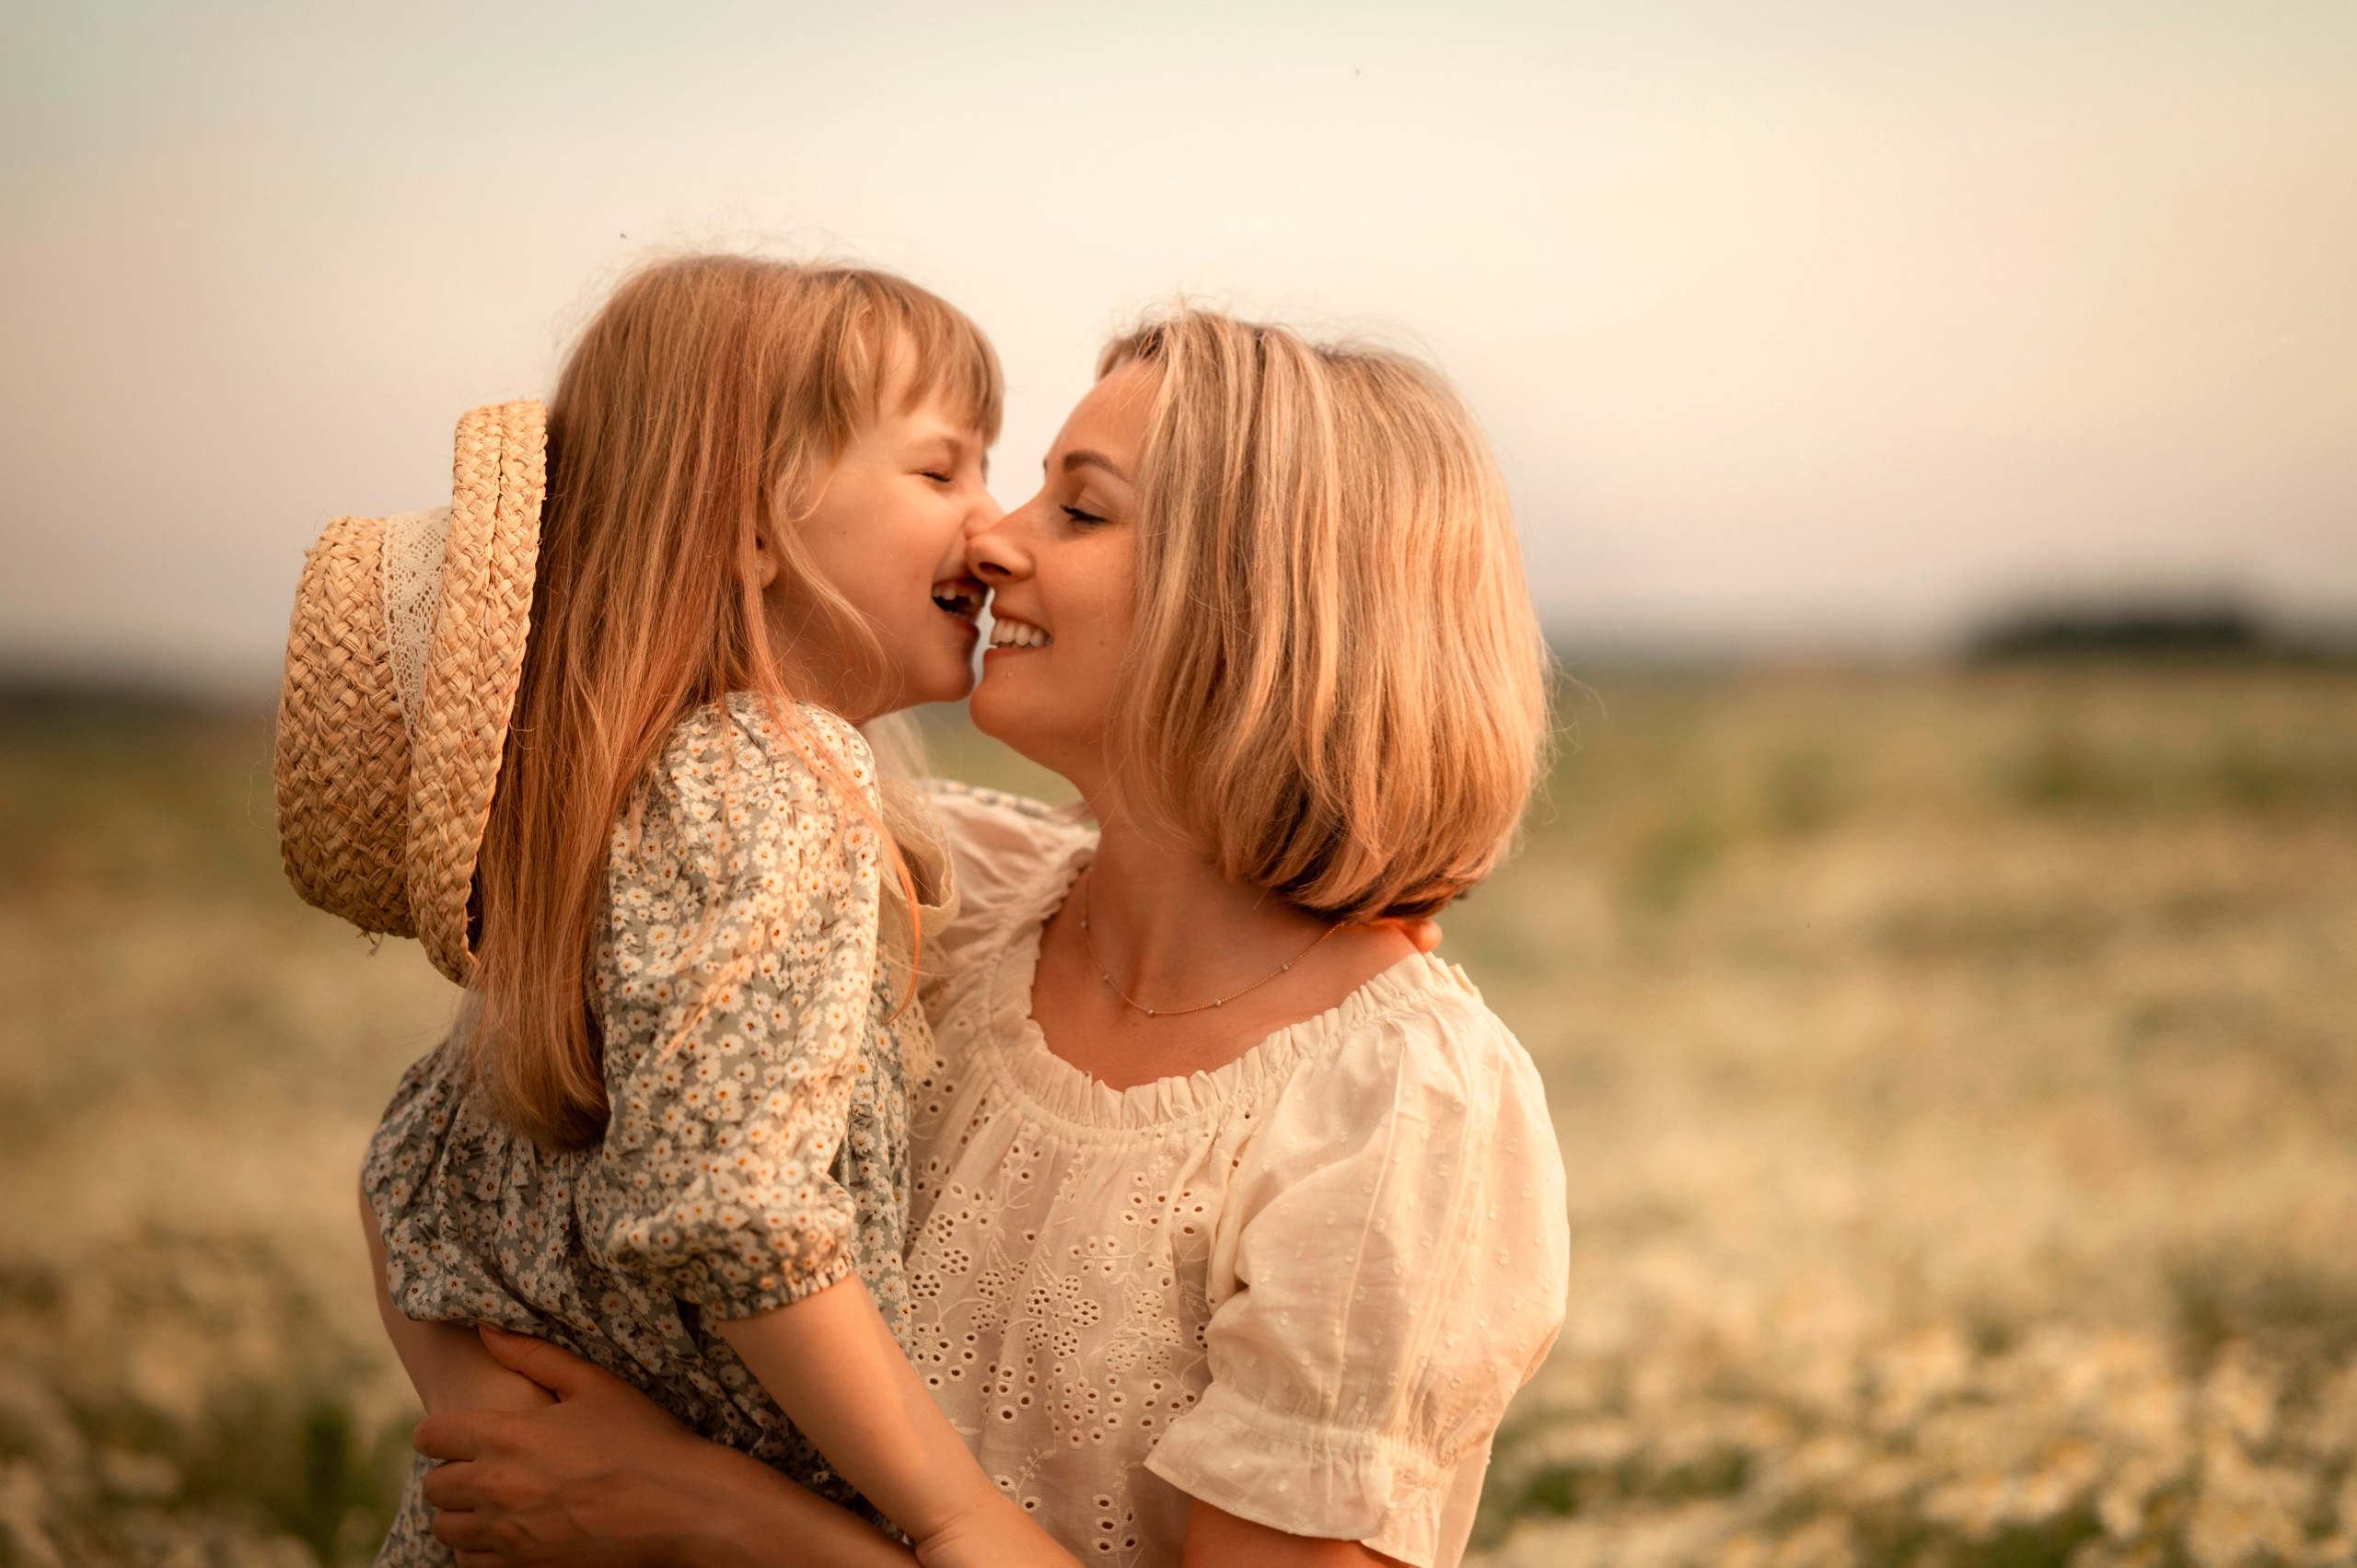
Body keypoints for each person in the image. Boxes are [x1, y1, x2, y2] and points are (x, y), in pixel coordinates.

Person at [410, 311, 1571, 1568]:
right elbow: (441, 1158)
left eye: (1079, 512)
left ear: (1258, 602)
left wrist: (717, 1524)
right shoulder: (926, 888)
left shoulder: (1397, 1107)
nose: (993, 537)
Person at [275, 255, 1073, 1566]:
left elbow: (401, 1173)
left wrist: (476, 1421)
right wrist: (954, 1514)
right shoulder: (772, 779)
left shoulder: (647, 798)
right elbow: (734, 1204)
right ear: (748, 524)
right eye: (943, 472)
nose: (994, 533)